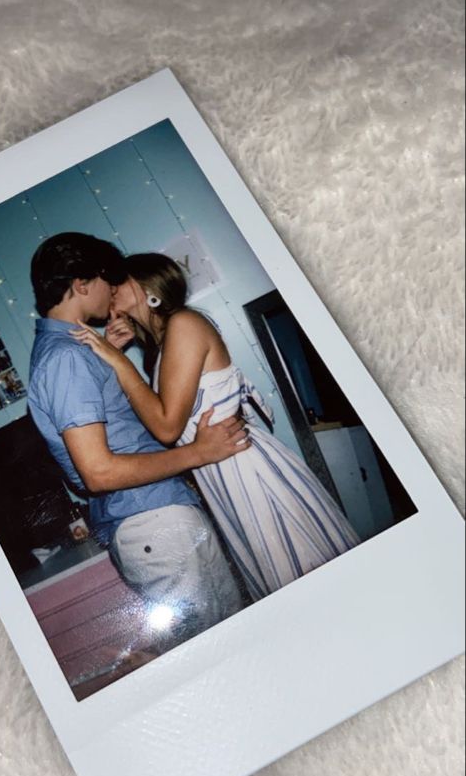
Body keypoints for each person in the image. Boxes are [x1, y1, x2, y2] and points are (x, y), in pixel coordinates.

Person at [72, 252, 361, 603]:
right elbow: (158, 427)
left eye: (119, 279)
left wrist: (118, 361)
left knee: (310, 580)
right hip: (220, 475)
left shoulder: (185, 323)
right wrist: (117, 350)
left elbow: (166, 427)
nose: (112, 287)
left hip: (245, 467)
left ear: (147, 284)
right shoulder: (161, 348)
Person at [27, 233, 247, 644]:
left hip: (156, 518)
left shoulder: (72, 352)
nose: (113, 289)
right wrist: (198, 453)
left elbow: (109, 439)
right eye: (107, 279)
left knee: (228, 636)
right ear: (80, 283)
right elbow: (97, 472)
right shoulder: (66, 359)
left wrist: (109, 354)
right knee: (216, 651)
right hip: (154, 523)